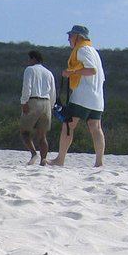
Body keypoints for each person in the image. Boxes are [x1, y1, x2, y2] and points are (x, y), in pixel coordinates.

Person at [52, 25, 105, 168]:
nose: (68, 39)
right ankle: (99, 162)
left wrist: (71, 73)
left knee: (68, 126)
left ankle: (60, 159)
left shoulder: (82, 50)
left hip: (82, 96)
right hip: (97, 99)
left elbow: (91, 70)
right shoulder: (94, 51)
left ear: (78, 37)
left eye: (71, 36)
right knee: (96, 128)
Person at [19, 50, 56, 166]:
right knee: (42, 135)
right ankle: (43, 159)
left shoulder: (30, 70)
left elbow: (27, 87)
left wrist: (24, 102)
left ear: (33, 59)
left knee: (24, 131)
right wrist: (51, 106)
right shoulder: (49, 73)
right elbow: (53, 92)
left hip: (33, 100)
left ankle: (34, 153)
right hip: (46, 102)